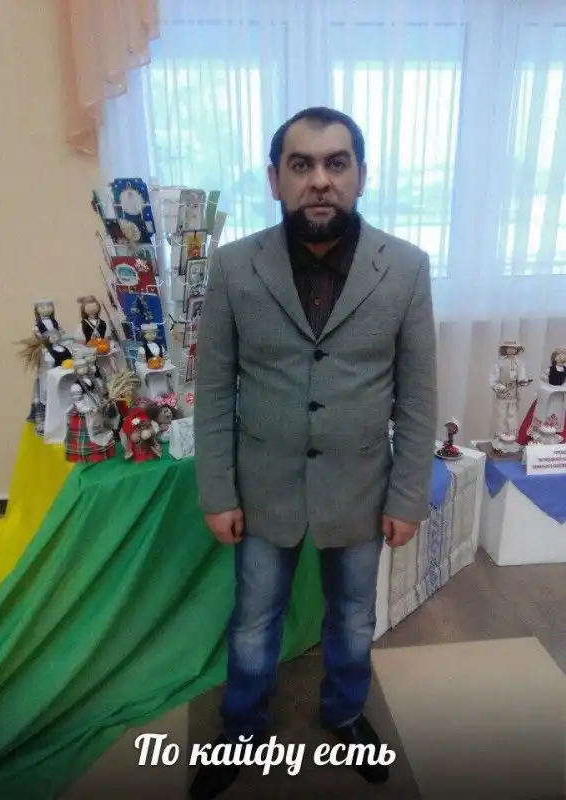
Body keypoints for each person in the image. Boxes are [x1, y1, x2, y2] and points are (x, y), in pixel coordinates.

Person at [192, 107, 437, 798]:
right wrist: (217, 491)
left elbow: (418, 395)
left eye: (337, 163)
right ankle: (241, 730)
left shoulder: (406, 268)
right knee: (253, 619)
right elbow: (213, 390)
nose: (320, 180)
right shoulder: (235, 266)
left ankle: (346, 714)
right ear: (275, 179)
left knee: (353, 617)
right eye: (301, 165)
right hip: (262, 486)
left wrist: (408, 496)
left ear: (361, 175)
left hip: (361, 487)